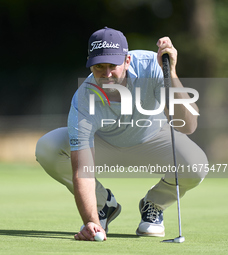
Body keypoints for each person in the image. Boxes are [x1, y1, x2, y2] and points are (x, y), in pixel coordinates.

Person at [35, 27, 208, 241]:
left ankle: (154, 204)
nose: (106, 74)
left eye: (112, 66)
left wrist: (170, 73)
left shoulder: (152, 66)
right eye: (99, 67)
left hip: (154, 139)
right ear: (90, 64)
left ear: (127, 60)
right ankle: (103, 207)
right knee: (47, 147)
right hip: (105, 145)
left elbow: (188, 126)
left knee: (197, 164)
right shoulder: (83, 98)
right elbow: (82, 170)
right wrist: (91, 222)